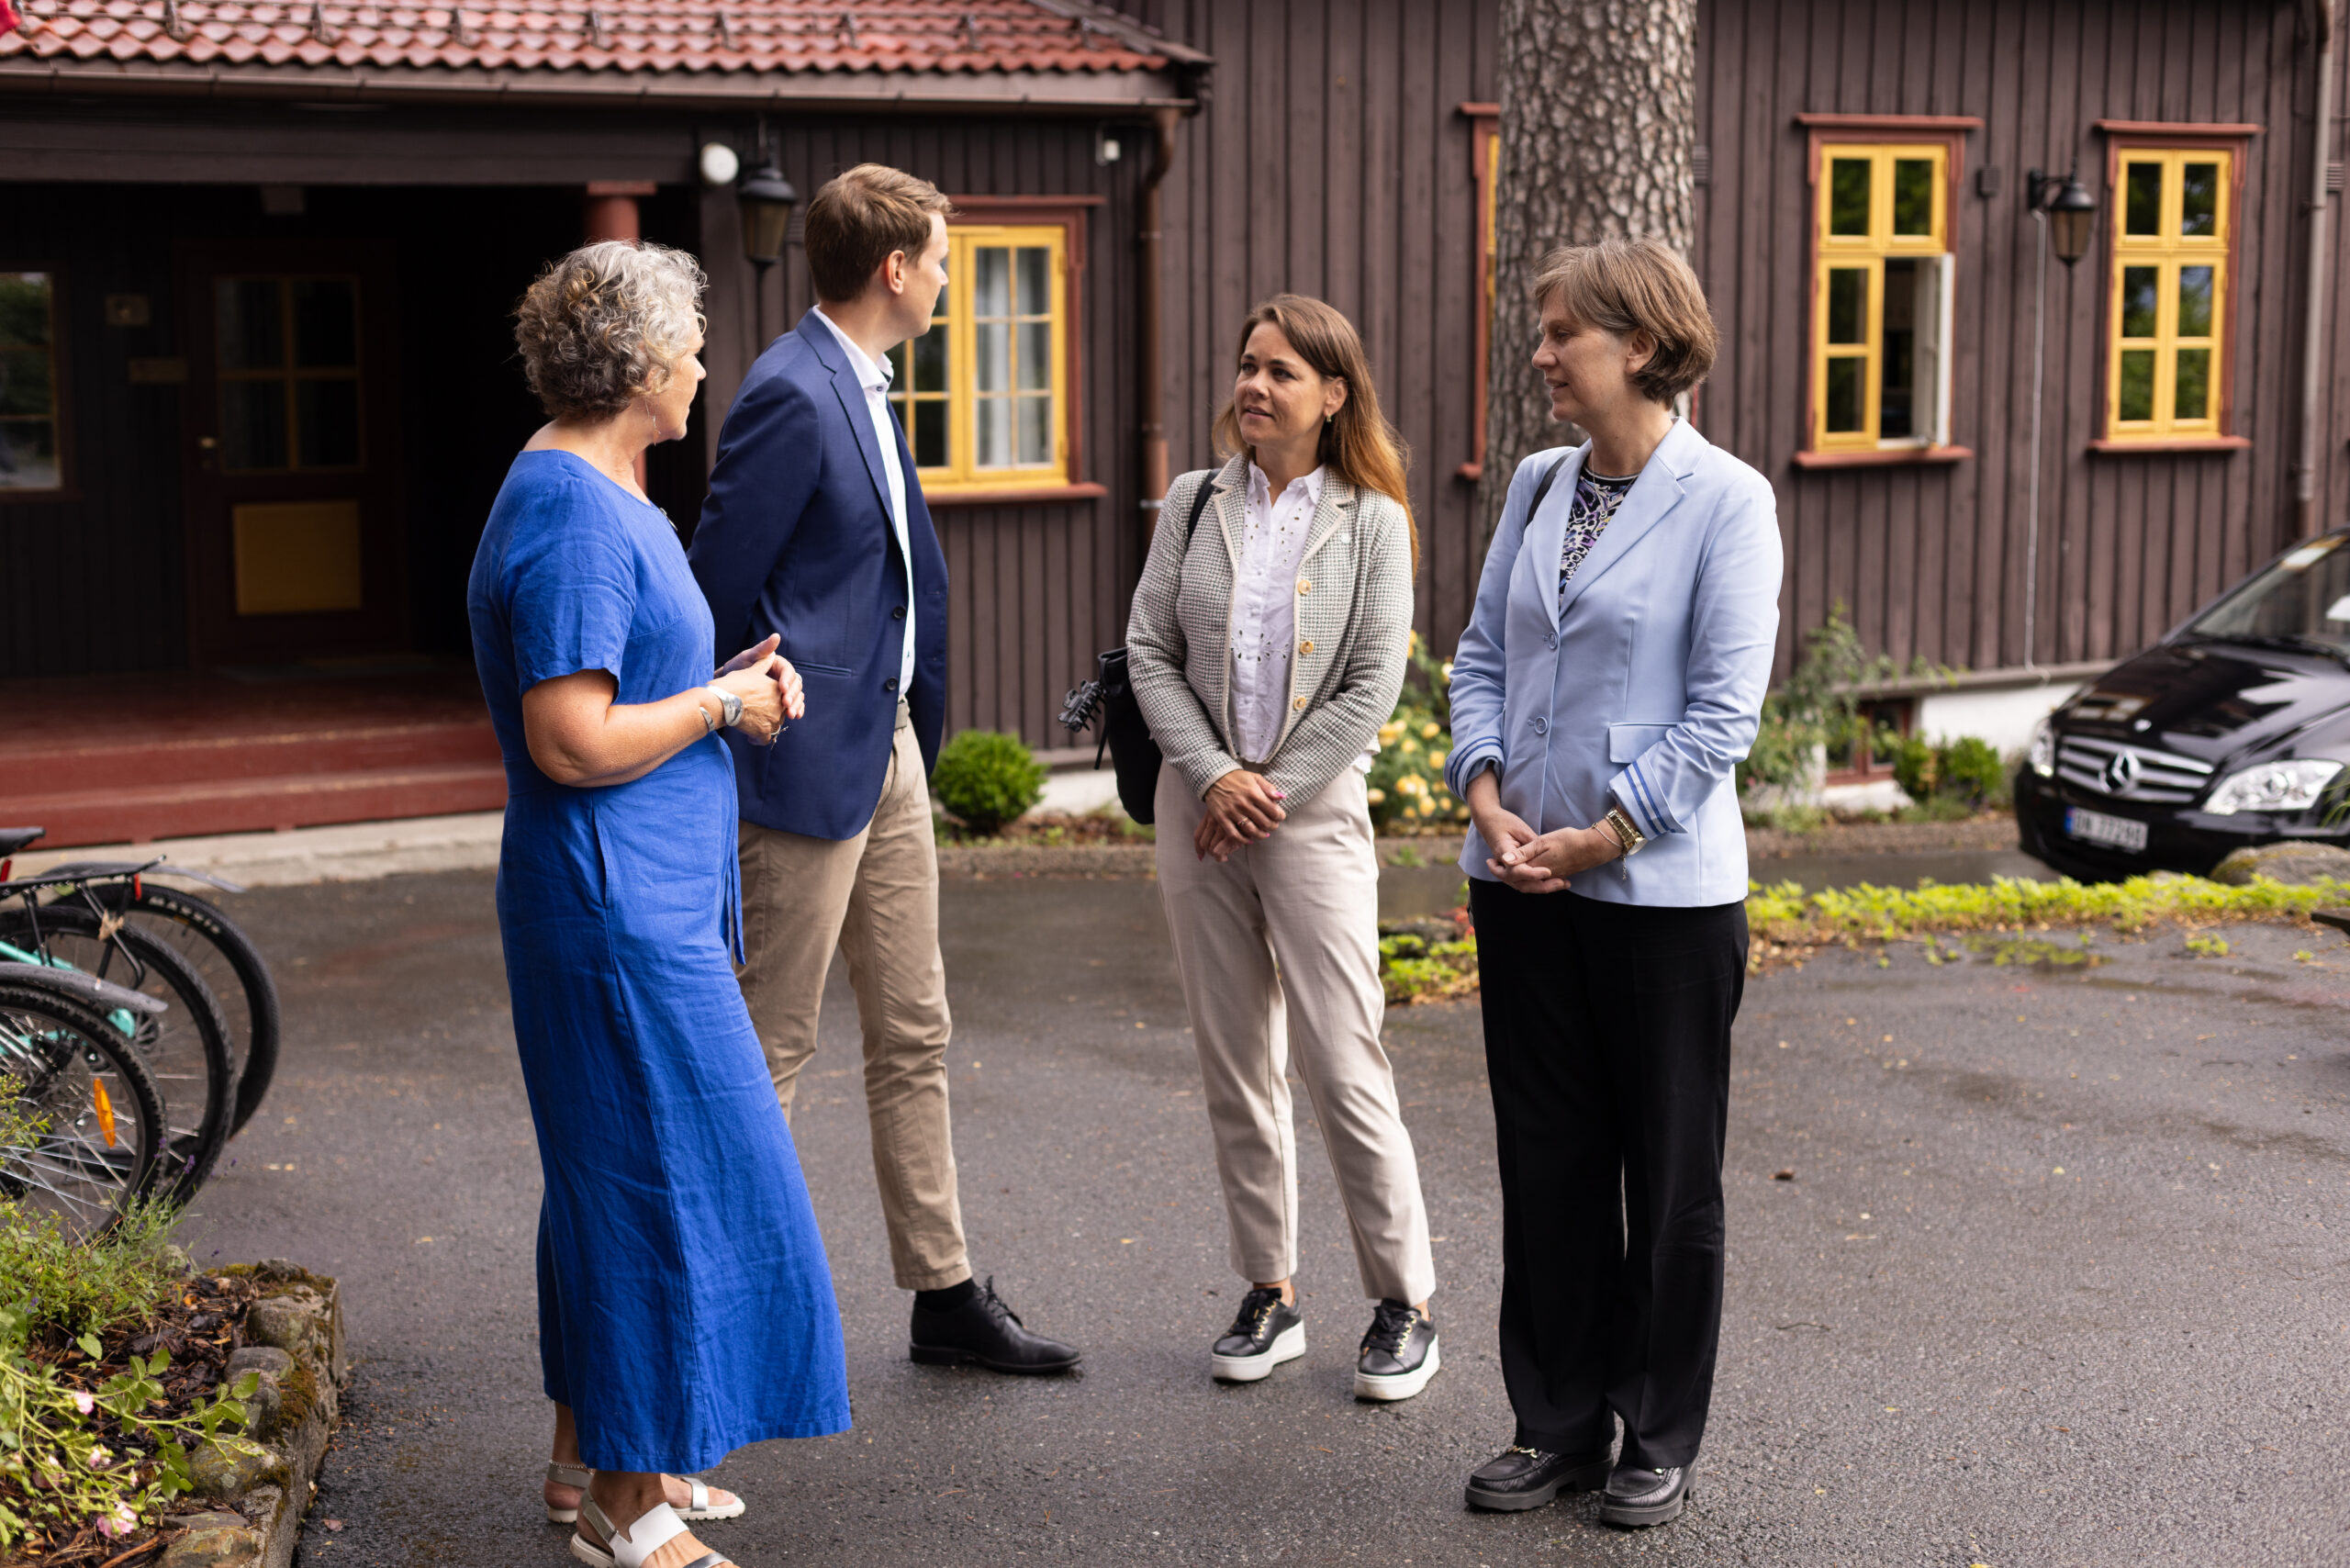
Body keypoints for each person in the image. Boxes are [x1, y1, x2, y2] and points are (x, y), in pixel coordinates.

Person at [469, 240, 850, 1568]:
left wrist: (720, 680)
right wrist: (722, 705)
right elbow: (570, 739)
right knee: (665, 1183)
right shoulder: (574, 508)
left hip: (641, 902)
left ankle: (591, 1466)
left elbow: (626, 680)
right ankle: (627, 1514)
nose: (701, 363)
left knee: (608, 1185)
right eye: (689, 341)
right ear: (635, 362)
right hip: (614, 912)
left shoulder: (595, 483)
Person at [688, 163, 1077, 1374]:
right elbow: (716, 582)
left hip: (889, 749)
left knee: (913, 1028)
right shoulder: (792, 394)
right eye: (945, 261)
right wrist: (775, 701)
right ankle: (722, 1320)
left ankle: (943, 1291)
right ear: (894, 269)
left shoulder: (860, 378)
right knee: (772, 1046)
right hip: (805, 765)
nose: (952, 281)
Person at [1442, 238, 1781, 1528]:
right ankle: (1558, 1421)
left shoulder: (1728, 501)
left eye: (1560, 335)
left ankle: (1657, 1427)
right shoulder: (1535, 486)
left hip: (1663, 898)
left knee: (1670, 1171)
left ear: (1639, 344)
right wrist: (1485, 796)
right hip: (1519, 882)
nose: (1540, 357)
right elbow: (1480, 657)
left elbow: (1720, 717)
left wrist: (1602, 836)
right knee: (1551, 1162)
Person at [1125, 294, 1439, 1400]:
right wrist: (1214, 776)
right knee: (1234, 1062)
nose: (1254, 387)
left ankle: (1405, 1302)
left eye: (1282, 373)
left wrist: (1269, 790)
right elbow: (1146, 649)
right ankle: (1272, 1290)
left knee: (1342, 1058)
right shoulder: (1192, 502)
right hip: (1195, 807)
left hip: (1308, 818)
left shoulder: (1373, 518)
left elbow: (1371, 686)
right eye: (1248, 366)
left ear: (1334, 394)